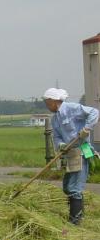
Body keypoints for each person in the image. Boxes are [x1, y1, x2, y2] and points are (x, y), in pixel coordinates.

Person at [43, 87, 98, 225]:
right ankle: (79, 214)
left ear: (55, 101)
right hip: (70, 153)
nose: (47, 105)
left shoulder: (71, 108)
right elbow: (56, 137)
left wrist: (87, 129)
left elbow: (94, 112)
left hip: (83, 150)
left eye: (48, 102)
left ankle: (75, 221)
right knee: (67, 186)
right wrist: (61, 145)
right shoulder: (55, 119)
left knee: (74, 188)